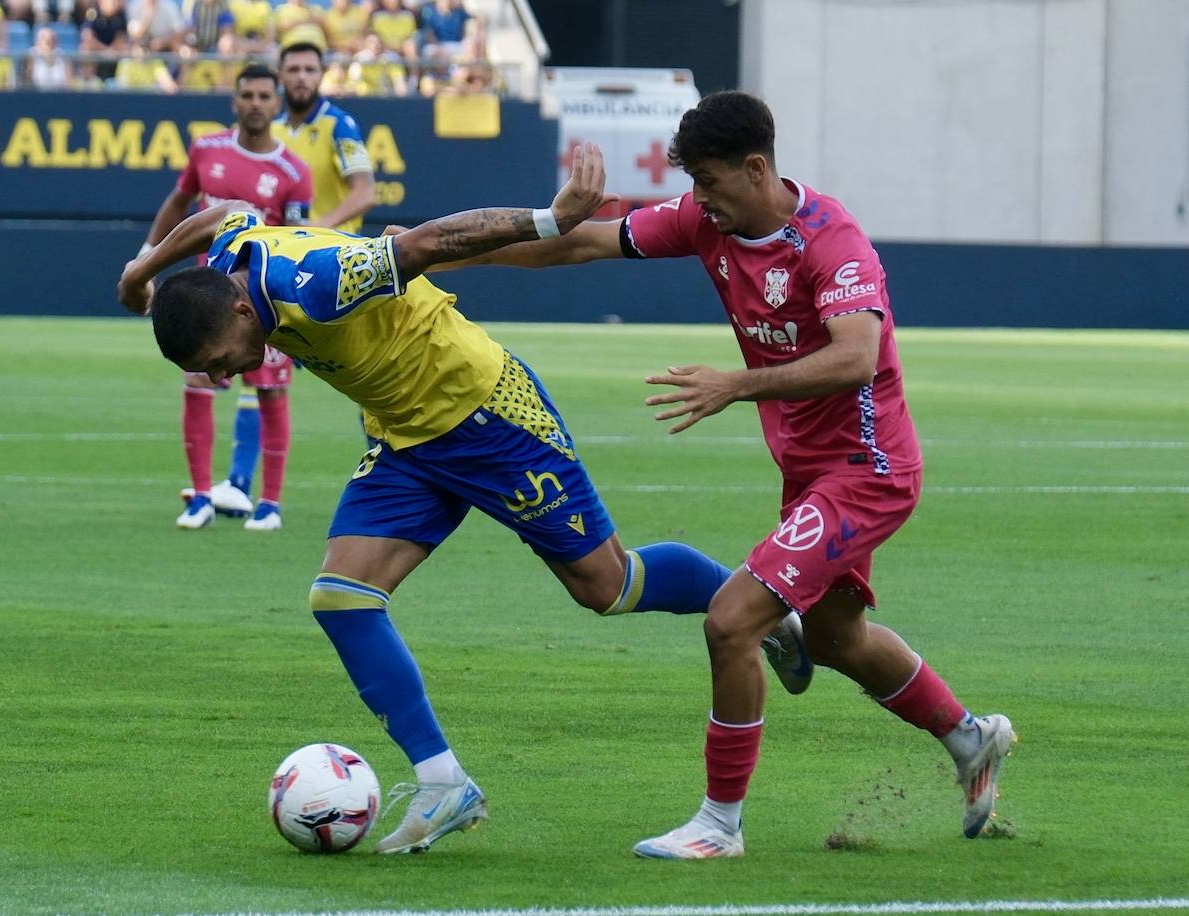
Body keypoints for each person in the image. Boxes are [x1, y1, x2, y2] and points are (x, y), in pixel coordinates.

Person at [117, 144, 814, 855]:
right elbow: (222, 214)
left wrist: (550, 218)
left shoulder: (318, 279)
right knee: (341, 596)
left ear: (240, 307)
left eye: (220, 360)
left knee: (609, 586)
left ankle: (762, 610)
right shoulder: (232, 255)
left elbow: (431, 241)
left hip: (486, 414)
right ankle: (444, 781)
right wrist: (143, 268)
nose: (226, 376)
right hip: (408, 439)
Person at [437, 90, 1015, 858]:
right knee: (840, 640)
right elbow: (581, 244)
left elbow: (856, 357)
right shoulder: (707, 220)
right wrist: (436, 253)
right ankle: (972, 739)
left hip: (867, 472)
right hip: (810, 473)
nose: (698, 200)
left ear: (755, 168)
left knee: (732, 620)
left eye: (709, 182)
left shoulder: (830, 242)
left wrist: (734, 384)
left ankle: (719, 827)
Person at [140, 63, 313, 530]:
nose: (255, 104)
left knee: (271, 394)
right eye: (247, 96)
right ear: (234, 102)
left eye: (263, 96)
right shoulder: (206, 150)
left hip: (263, 306)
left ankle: (270, 504)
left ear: (276, 104)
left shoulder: (293, 172)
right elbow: (179, 203)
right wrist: (146, 255)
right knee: (197, 387)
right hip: (204, 301)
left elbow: (297, 240)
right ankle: (199, 497)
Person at [272, 41, 376, 233]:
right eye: (293, 70)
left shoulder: (339, 124)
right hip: (284, 250)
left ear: (321, 75)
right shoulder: (272, 129)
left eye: (310, 70)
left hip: (334, 249)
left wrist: (317, 228)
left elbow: (366, 192)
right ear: (280, 76)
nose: (301, 77)